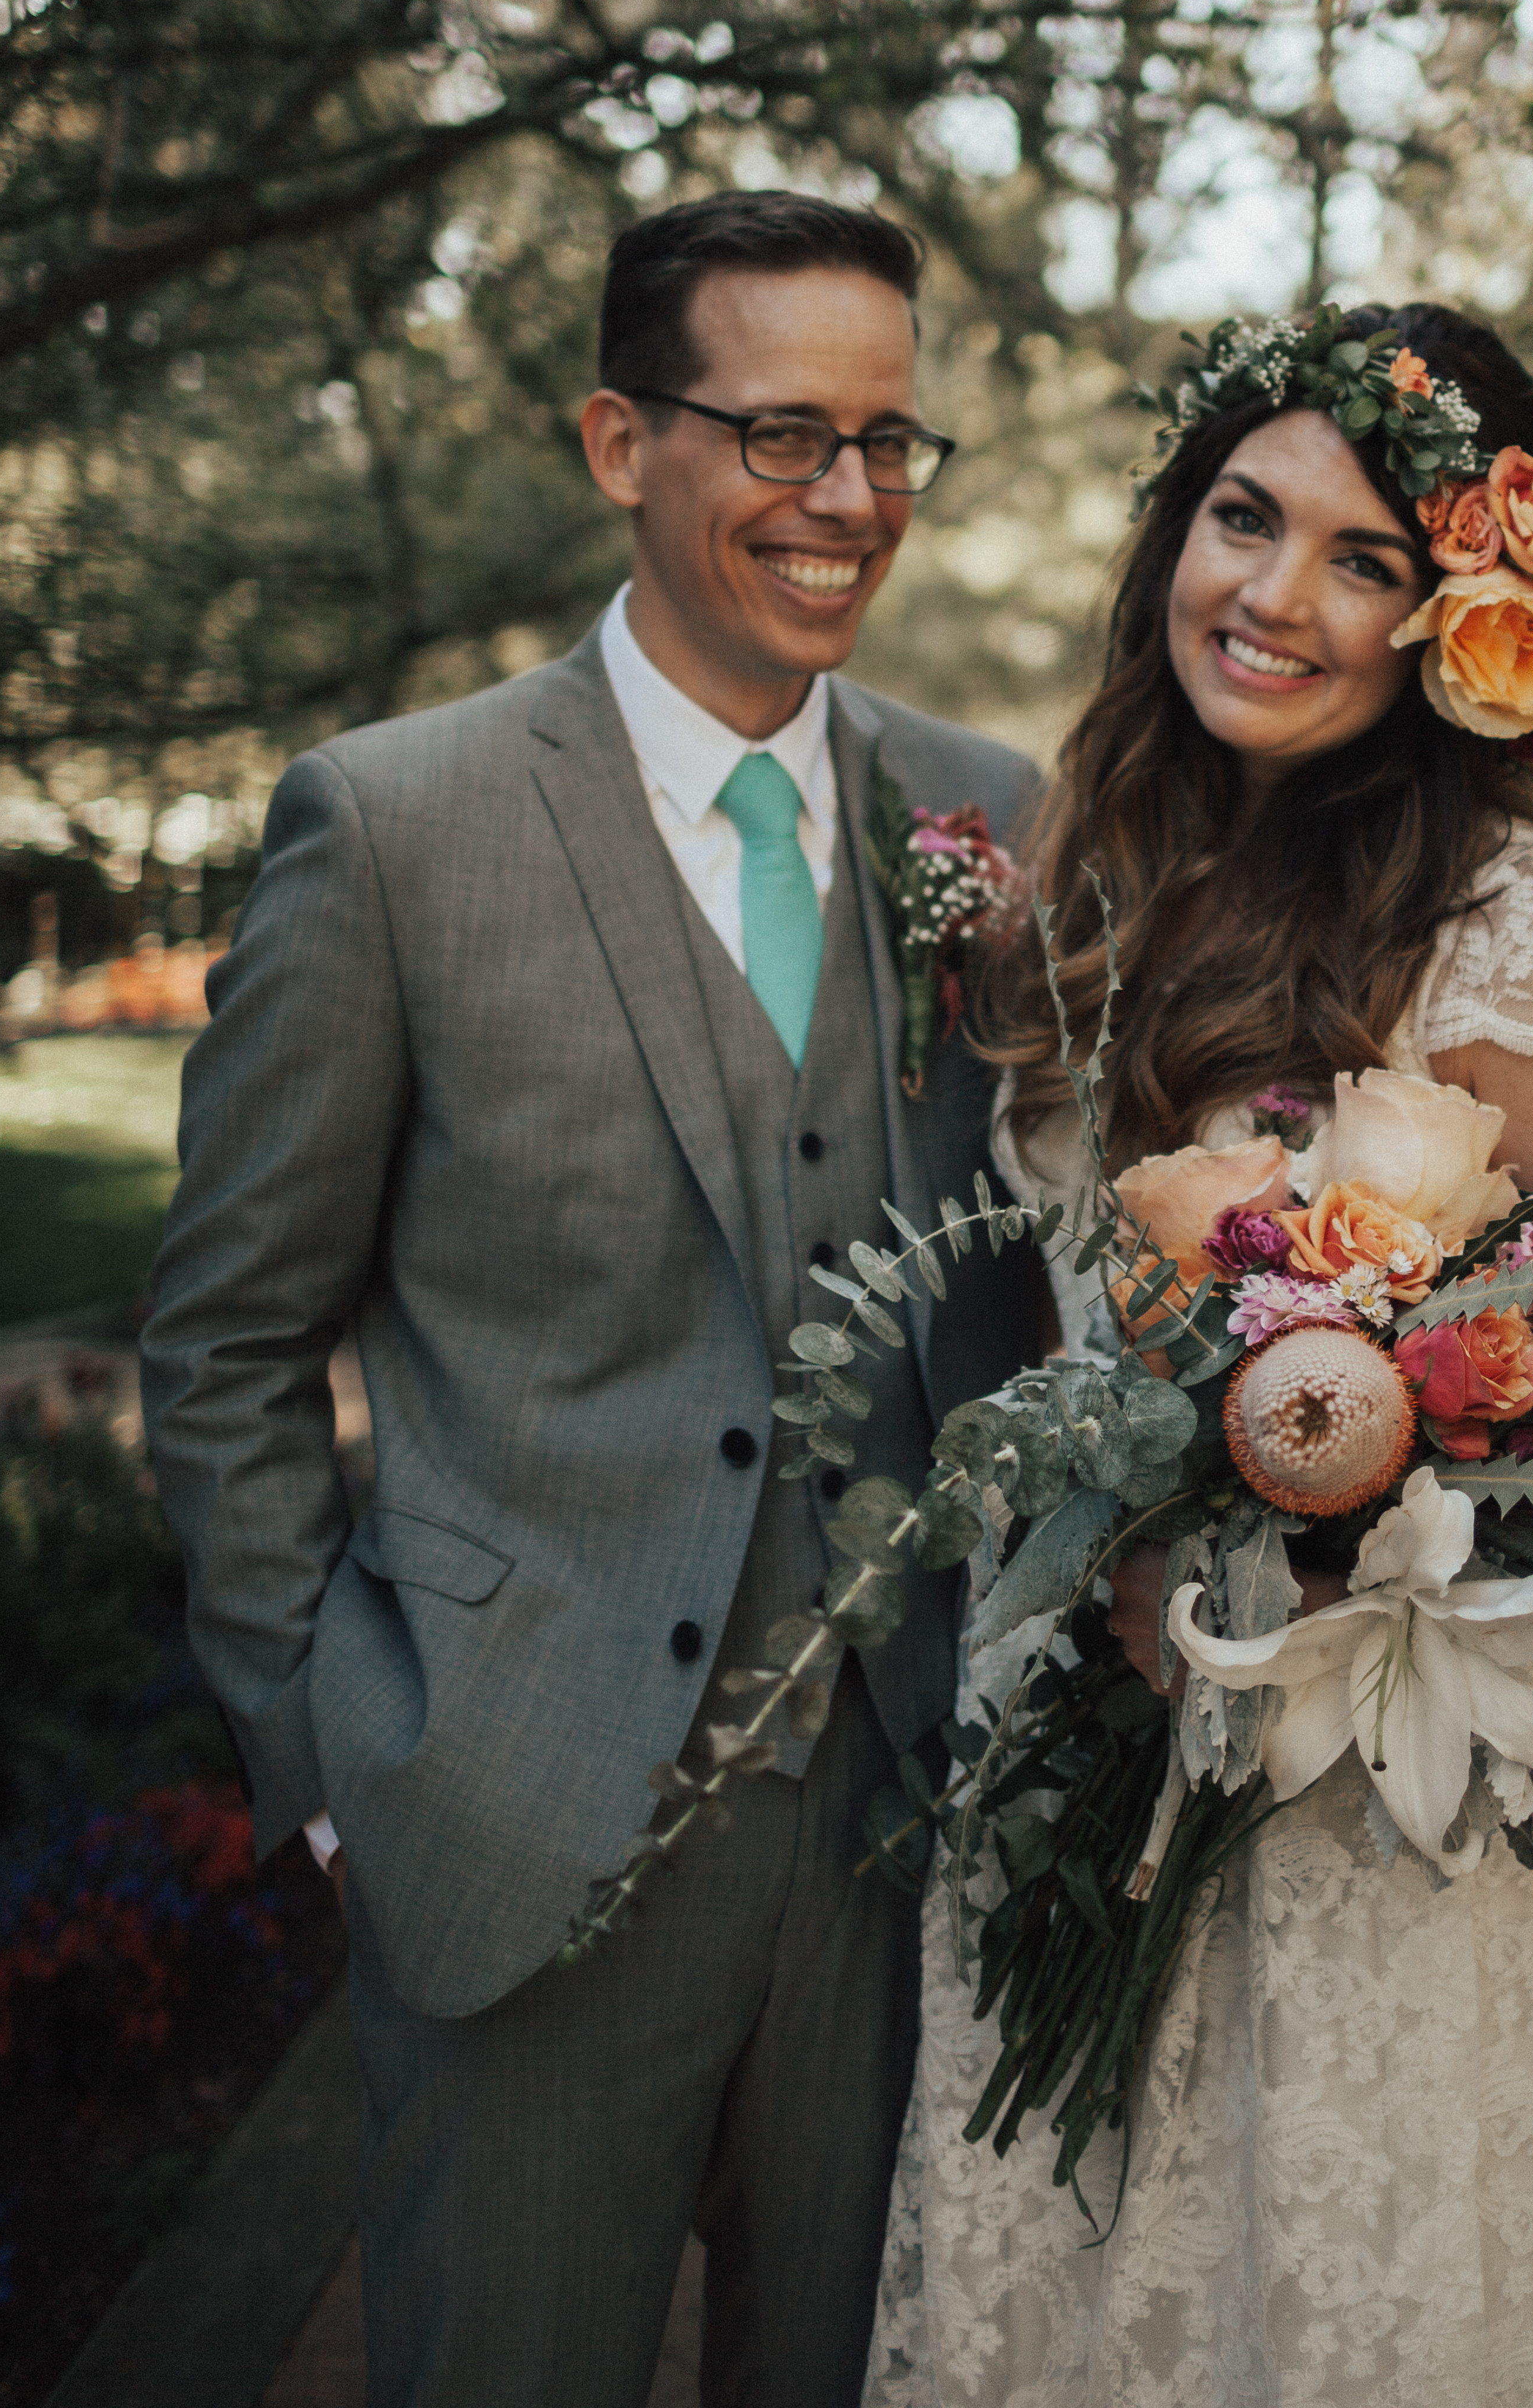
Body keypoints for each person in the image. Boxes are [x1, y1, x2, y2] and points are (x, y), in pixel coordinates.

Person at [141, 193, 1049, 2408]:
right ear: (614, 440)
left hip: (904, 1841)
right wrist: (339, 1759)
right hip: (524, 1825)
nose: (847, 503)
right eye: (780, 435)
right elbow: (230, 1342)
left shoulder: (994, 816)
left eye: (890, 443)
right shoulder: (392, 827)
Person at [864, 301, 1533, 2408]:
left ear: (1460, 627)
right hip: (1072, 1710)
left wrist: (1278, 1548)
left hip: (1367, 1776)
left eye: (1366, 562)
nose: (1278, 596)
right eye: (1246, 518)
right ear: (1173, 531)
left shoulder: (1530, 928)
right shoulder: (1089, 876)